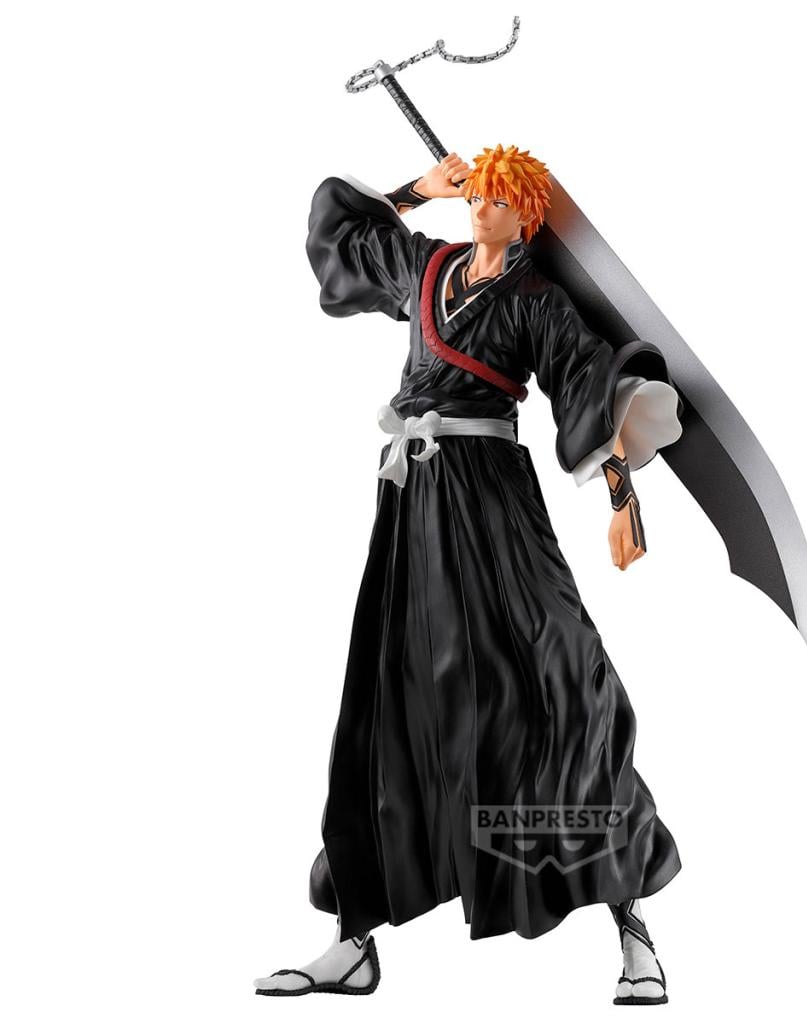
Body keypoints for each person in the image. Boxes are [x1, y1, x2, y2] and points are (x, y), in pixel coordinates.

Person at [254, 145, 684, 1005]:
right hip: (413, 498)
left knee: (564, 680)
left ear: (527, 216)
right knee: (390, 696)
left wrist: (620, 496)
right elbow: (349, 237)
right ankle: (353, 940)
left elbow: (588, 386)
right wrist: (418, 189)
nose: (480, 204)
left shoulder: (537, 300)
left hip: (492, 500)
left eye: (498, 196)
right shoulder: (429, 267)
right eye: (475, 191)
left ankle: (633, 932)